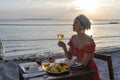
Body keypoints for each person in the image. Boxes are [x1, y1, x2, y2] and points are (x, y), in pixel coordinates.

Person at [58, 14, 100, 80]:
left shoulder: (89, 41)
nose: (73, 25)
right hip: (76, 69)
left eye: (75, 23)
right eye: (73, 23)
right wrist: (64, 47)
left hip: (88, 72)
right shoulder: (73, 38)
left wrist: (70, 63)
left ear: (82, 26)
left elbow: (84, 63)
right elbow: (69, 57)